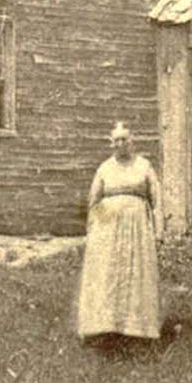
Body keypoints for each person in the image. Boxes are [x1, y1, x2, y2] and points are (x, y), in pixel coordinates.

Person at [76, 122, 162, 349]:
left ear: (132, 141)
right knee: (107, 272)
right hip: (107, 230)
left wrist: (158, 229)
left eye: (125, 139)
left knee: (136, 272)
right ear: (111, 143)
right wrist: (92, 228)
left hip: (137, 229)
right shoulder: (104, 168)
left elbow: (156, 200)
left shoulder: (143, 166)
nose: (121, 144)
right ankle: (102, 327)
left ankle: (137, 330)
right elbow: (94, 201)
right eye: (116, 140)